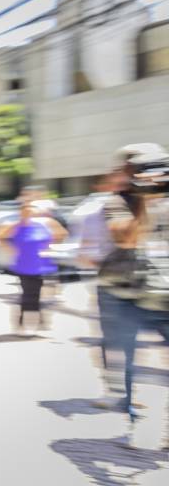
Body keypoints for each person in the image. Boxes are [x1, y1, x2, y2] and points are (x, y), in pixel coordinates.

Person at [94, 143, 169, 417]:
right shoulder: (117, 202)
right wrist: (145, 199)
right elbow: (126, 239)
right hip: (121, 292)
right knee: (124, 353)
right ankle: (124, 403)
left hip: (160, 291)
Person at [0, 200, 67, 329]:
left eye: (31, 212)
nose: (28, 214)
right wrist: (11, 250)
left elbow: (60, 234)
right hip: (24, 264)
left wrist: (49, 248)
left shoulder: (41, 225)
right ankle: (23, 321)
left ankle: (38, 320)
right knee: (27, 293)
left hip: (40, 265)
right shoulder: (16, 226)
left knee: (37, 292)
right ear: (21, 213)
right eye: (26, 212)